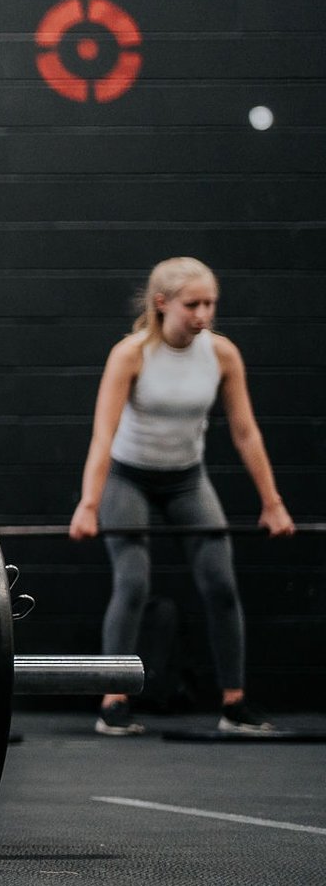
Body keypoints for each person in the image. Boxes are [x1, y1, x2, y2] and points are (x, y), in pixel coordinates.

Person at [69, 257, 295, 736]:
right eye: (193, 304)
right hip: (127, 477)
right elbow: (102, 436)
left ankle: (234, 706)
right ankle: (113, 704)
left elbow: (245, 432)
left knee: (221, 584)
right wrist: (89, 504)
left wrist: (272, 502)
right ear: (162, 303)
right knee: (133, 582)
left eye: (211, 303)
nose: (204, 314)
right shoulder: (131, 354)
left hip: (187, 478)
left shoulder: (223, 355)